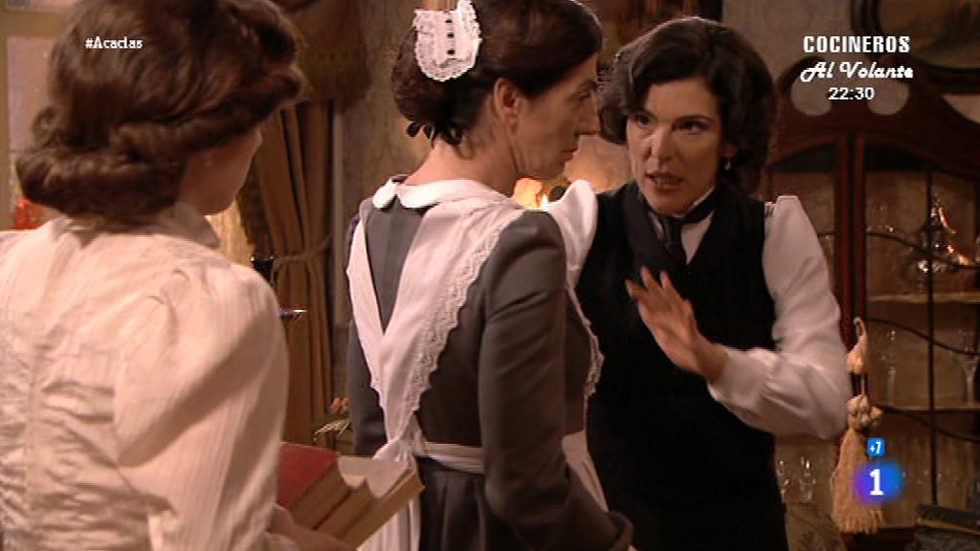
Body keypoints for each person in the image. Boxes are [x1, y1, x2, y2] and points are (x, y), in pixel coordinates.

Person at [0, 0, 351, 549]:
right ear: (209, 139)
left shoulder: (13, 263)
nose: (260, 141)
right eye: (255, 121)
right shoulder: (209, 301)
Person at [545, 16, 851, 551]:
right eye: (643, 120)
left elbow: (828, 404)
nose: (658, 150)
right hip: (612, 535)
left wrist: (715, 362)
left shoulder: (775, 233)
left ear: (731, 140)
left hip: (740, 536)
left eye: (690, 127)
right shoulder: (579, 224)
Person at [345, 1, 633, 550]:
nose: (592, 121)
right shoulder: (520, 241)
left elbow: (373, 434)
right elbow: (527, 485)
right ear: (509, 100)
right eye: (579, 95)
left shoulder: (371, 221)